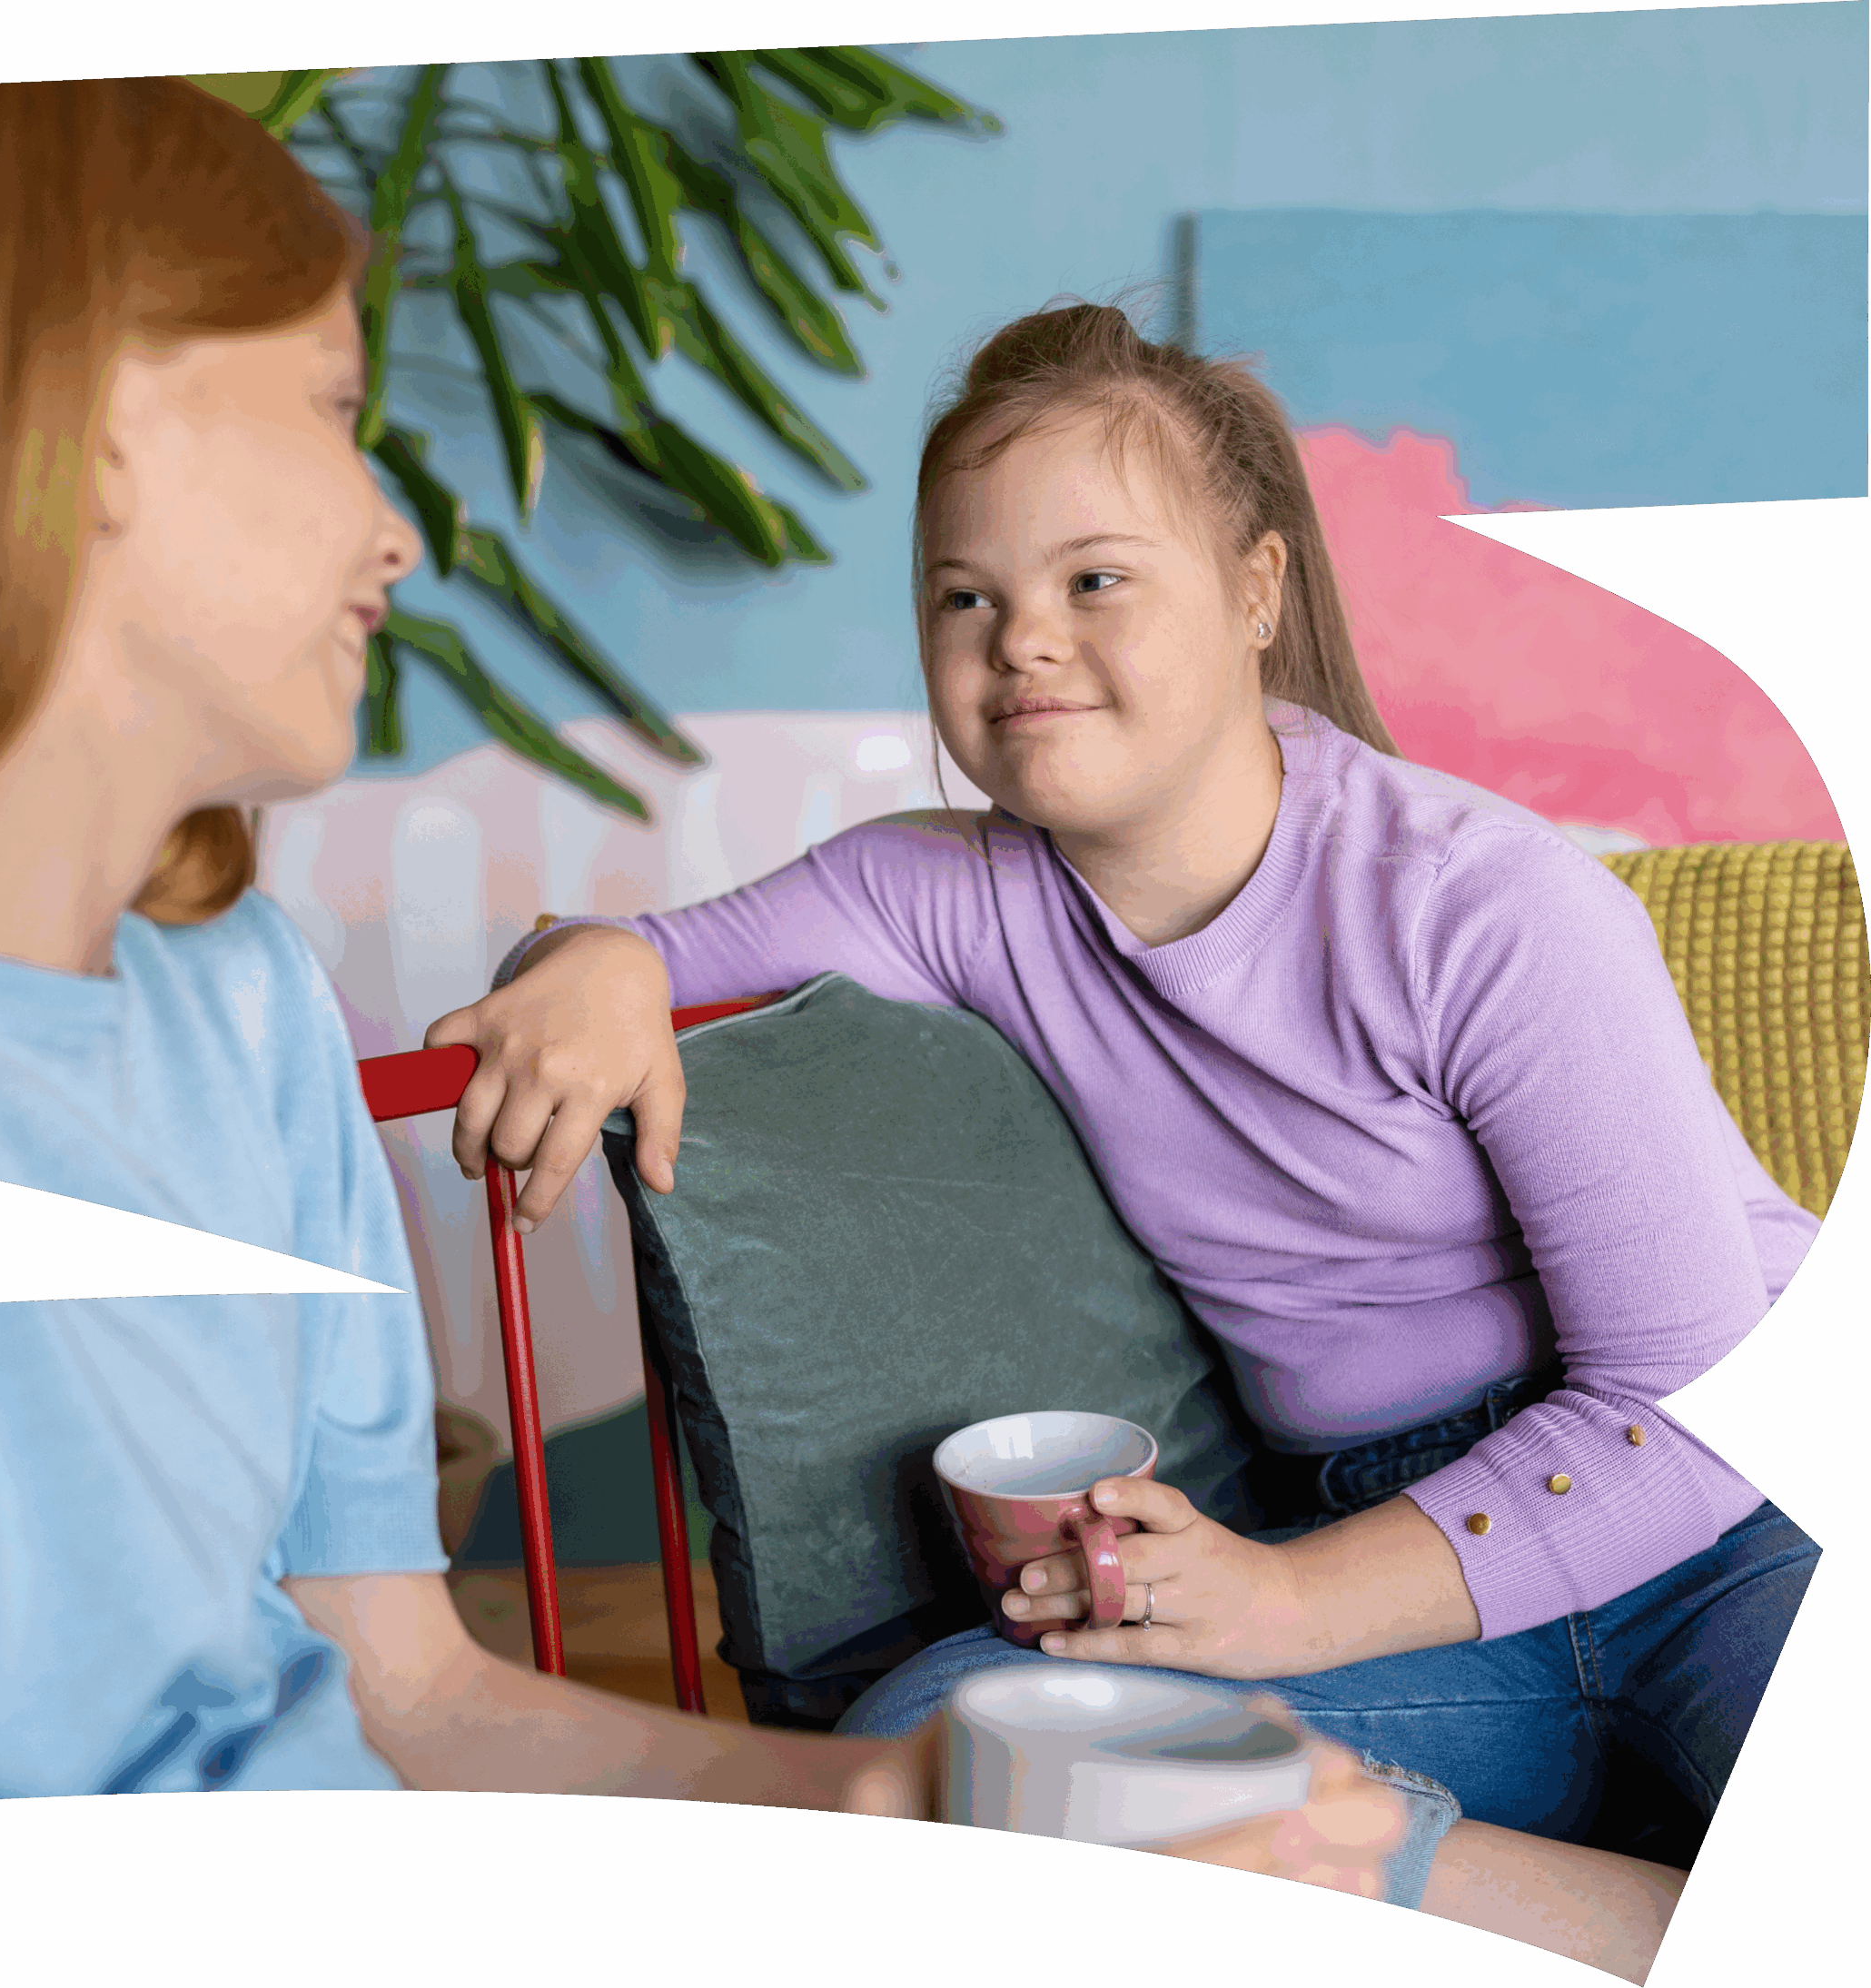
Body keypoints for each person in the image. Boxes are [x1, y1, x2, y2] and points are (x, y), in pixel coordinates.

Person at [0, 77, 1408, 1912]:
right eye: (329, 411)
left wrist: (916, 1799)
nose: (397, 534)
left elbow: (411, 1700)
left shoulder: (229, 987)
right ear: (80, 426)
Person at [429, 300, 1825, 1981]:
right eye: (966, 597)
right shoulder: (953, 893)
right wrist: (595, 964)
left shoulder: (1485, 907)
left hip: (1739, 1521)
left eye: (1096, 579)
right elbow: (658, 952)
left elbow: (1690, 1415)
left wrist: (1291, 1610)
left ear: (1254, 593)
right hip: (1378, 1543)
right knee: (952, 1751)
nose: (1020, 640)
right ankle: (1610, 1914)